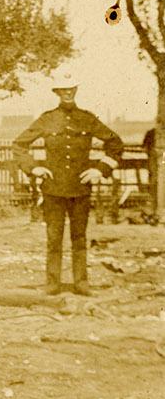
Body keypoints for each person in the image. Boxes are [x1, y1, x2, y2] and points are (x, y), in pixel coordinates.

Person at [12, 72, 124, 295]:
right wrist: (34, 168)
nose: (68, 92)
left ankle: (81, 284)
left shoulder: (87, 118)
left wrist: (100, 170)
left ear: (76, 90)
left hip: (80, 189)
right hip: (53, 189)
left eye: (71, 88)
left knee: (79, 238)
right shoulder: (47, 119)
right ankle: (52, 284)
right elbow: (18, 146)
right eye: (63, 89)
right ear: (56, 92)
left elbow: (116, 144)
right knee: (54, 239)